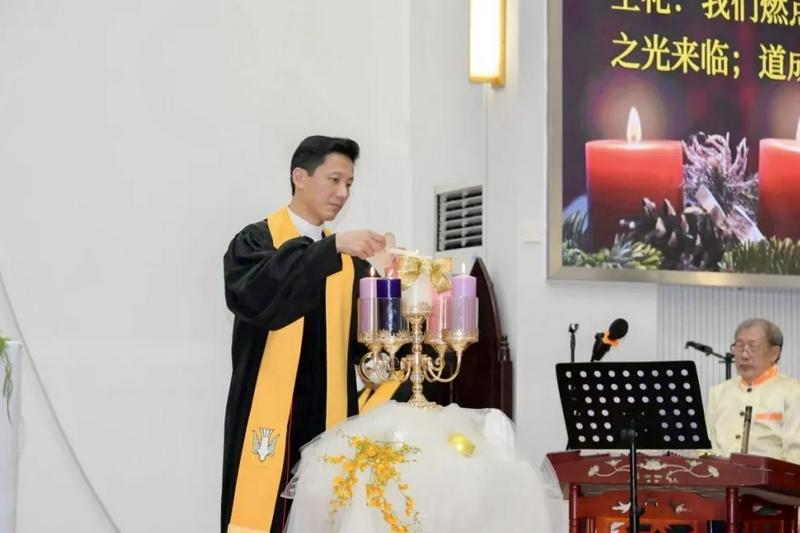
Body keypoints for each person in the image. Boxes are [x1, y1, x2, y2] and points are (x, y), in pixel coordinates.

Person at [220, 135, 388, 533]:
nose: (342, 193)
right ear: (299, 176)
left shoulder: (350, 263)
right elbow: (259, 295)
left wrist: (394, 288)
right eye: (334, 180)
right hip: (270, 418)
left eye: (349, 184)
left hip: (328, 418)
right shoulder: (255, 243)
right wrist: (331, 250)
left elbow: (370, 348)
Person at [706, 318, 800, 464]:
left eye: (753, 347)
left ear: (774, 353)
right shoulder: (719, 392)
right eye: (739, 346)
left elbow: (796, 456)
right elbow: (707, 447)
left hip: (773, 484)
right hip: (720, 482)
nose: (744, 355)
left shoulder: (794, 392)